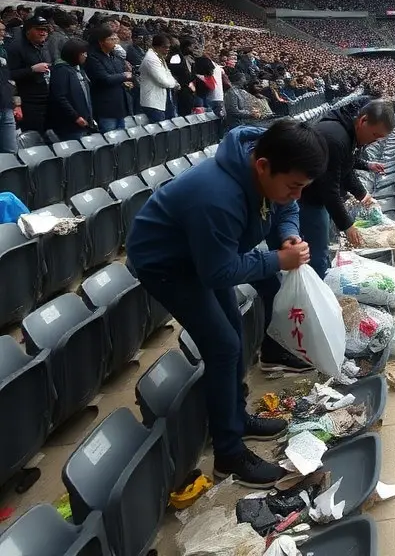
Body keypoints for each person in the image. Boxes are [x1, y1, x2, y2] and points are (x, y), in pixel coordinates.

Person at [127, 120, 328, 488]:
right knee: (222, 346)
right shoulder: (216, 195)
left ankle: (236, 417)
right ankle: (229, 455)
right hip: (167, 264)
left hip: (205, 256)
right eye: (293, 186)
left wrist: (288, 235)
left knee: (232, 330)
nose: (296, 195)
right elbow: (218, 273)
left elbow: (284, 210)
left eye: (303, 188)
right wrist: (277, 261)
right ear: (263, 166)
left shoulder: (265, 170)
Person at [301, 100, 393, 275]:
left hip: (317, 199)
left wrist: (362, 194)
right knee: (317, 254)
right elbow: (329, 187)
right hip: (308, 200)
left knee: (321, 249)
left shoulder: (348, 134)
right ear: (363, 121)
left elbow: (346, 167)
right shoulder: (335, 138)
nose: (373, 141)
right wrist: (347, 225)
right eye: (374, 135)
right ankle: (320, 294)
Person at [84, 23, 133, 133]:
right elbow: (104, 79)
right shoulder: (93, 57)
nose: (115, 42)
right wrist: (124, 76)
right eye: (111, 39)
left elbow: (119, 74)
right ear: (101, 42)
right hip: (106, 107)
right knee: (109, 139)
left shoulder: (114, 56)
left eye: (116, 39)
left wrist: (125, 81)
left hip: (120, 105)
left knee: (122, 138)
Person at [7, 15, 52, 132]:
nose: (43, 33)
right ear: (28, 30)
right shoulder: (15, 47)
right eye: (39, 29)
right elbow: (8, 75)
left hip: (47, 99)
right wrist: (31, 70)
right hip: (28, 102)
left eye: (45, 30)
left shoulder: (44, 46)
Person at [46, 38, 95, 142]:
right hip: (70, 124)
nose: (85, 56)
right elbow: (59, 97)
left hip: (84, 120)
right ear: (74, 54)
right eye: (83, 53)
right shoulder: (61, 70)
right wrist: (75, 117)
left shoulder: (78, 69)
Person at [139, 34, 178, 123]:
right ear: (156, 47)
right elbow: (163, 81)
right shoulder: (151, 59)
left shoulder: (159, 57)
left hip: (163, 100)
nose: (167, 49)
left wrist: (172, 81)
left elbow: (168, 74)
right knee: (159, 131)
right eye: (165, 47)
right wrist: (174, 84)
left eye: (169, 47)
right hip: (153, 103)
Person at [0, 20, 17, 154]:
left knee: (11, 152)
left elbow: (9, 79)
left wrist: (15, 102)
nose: (3, 34)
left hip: (7, 106)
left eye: (3, 30)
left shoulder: (4, 52)